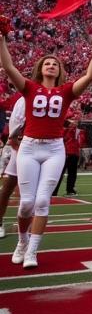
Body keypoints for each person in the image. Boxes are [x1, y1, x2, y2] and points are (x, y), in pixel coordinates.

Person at [0, 31, 92, 268]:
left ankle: (32, 251)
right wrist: (2, 39)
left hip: (54, 149)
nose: (51, 66)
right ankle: (22, 241)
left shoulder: (65, 91)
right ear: (40, 68)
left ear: (60, 70)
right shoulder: (29, 88)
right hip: (29, 147)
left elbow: (89, 76)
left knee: (43, 200)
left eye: (55, 64)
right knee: (27, 203)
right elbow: (8, 66)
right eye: (47, 63)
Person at [0, 91, 25, 238]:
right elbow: (15, 123)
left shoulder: (56, 96)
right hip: (23, 145)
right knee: (8, 186)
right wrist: (14, 141)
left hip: (45, 147)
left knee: (34, 193)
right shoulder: (24, 99)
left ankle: (26, 225)